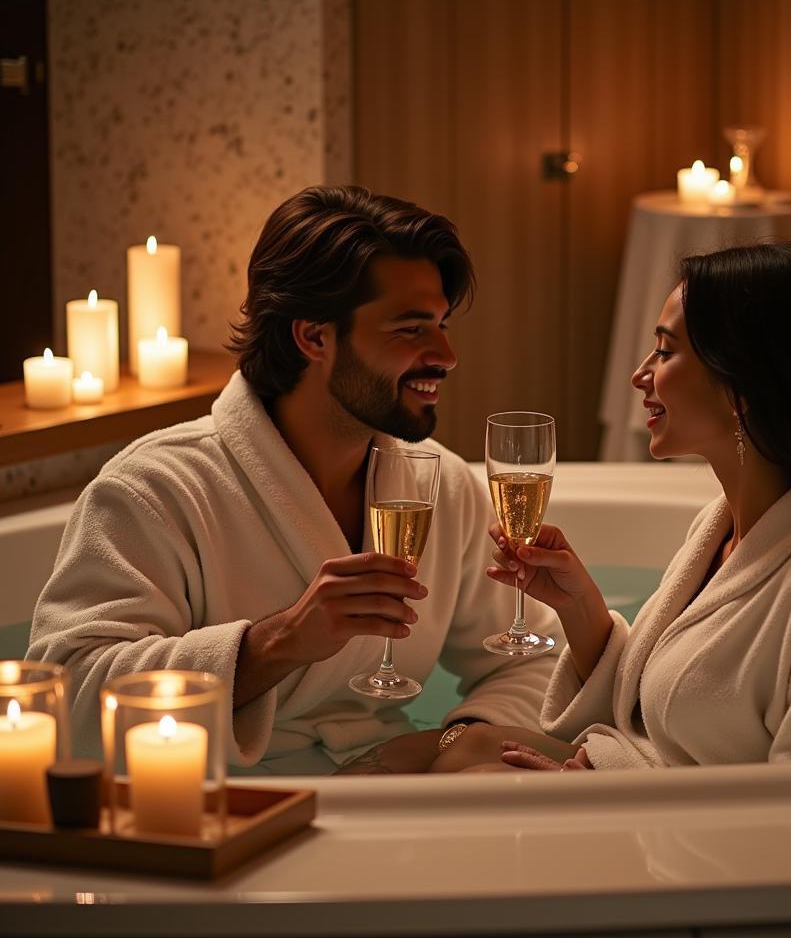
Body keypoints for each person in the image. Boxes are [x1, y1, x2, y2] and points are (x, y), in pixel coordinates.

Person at [28, 186, 558, 774]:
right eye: (410, 330)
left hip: (388, 783)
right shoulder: (153, 490)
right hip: (223, 809)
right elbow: (64, 698)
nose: (446, 355)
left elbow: (533, 659)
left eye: (442, 325)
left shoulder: (443, 485)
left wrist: (449, 744)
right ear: (314, 337)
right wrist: (276, 644)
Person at [429, 242, 791, 774]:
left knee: (450, 768)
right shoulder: (721, 527)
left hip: (668, 844)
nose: (640, 375)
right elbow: (660, 712)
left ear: (742, 383)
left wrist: (602, 801)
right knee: (455, 748)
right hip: (641, 809)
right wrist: (581, 608)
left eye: (665, 350)